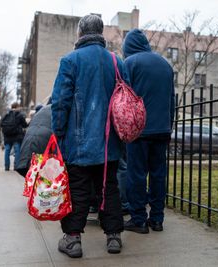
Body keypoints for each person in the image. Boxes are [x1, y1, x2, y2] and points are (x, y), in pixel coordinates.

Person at [51, 14, 129, 258]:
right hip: (110, 144)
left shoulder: (70, 61)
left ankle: (73, 240)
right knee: (109, 188)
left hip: (78, 142)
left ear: (80, 33)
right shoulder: (117, 62)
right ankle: (114, 236)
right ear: (101, 32)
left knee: (78, 190)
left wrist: (58, 133)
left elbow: (60, 103)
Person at [122, 29, 175, 234]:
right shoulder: (165, 64)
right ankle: (157, 219)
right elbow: (171, 100)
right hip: (162, 129)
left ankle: (138, 219)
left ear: (129, 47)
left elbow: (122, 99)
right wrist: (168, 125)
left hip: (138, 131)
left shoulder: (130, 64)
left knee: (136, 175)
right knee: (158, 175)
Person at [15, 104, 52, 177]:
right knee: (43, 178)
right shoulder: (58, 110)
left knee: (32, 176)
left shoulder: (41, 111)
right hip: (42, 144)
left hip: (29, 144)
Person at [1, 102, 29, 171]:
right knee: (17, 151)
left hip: (7, 136)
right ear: (17, 107)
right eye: (19, 107)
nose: (20, 108)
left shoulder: (6, 115)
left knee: (7, 151)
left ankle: (6, 167)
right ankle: (16, 166)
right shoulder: (19, 115)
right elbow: (24, 125)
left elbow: (1, 124)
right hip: (17, 136)